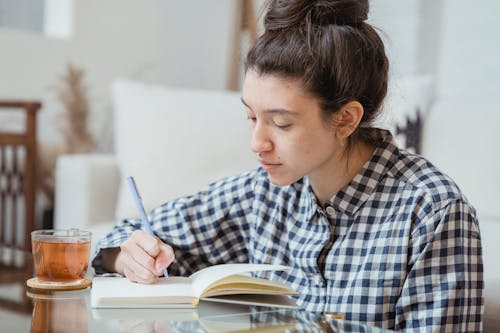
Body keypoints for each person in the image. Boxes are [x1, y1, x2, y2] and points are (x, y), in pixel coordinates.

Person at [92, 0, 484, 331]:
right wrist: (127, 255)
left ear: (346, 119)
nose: (257, 143)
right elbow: (130, 234)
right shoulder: (262, 192)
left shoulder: (431, 211)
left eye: (281, 123)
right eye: (251, 117)